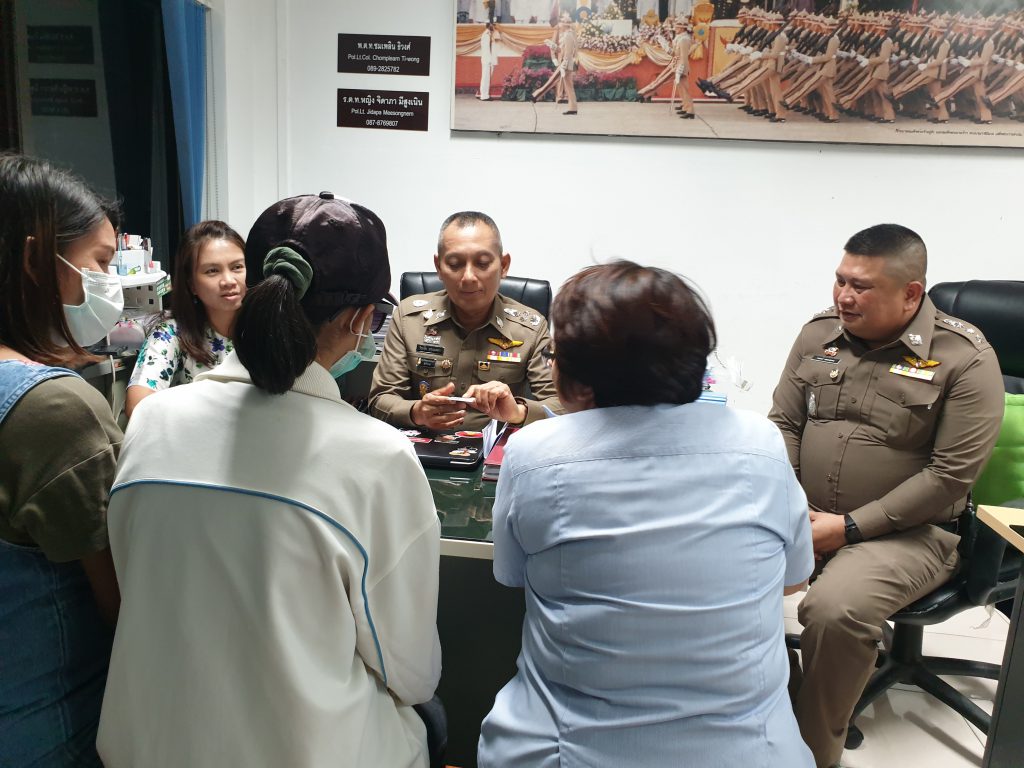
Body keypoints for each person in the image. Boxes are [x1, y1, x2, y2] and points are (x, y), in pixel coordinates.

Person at [98, 192, 444, 768]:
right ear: (361, 320)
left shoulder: (152, 422)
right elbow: (409, 672)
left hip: (149, 745)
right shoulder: (376, 456)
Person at [478, 261, 815, 768]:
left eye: (554, 354)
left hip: (567, 751)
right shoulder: (760, 444)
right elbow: (794, 579)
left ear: (577, 377)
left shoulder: (535, 452)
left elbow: (512, 576)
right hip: (749, 753)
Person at [768, 224, 1005, 768]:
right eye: (840, 280)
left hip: (912, 534)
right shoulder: (818, 335)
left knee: (834, 610)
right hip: (807, 515)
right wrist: (794, 505)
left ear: (911, 293)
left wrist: (847, 527)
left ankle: (812, 754)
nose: (844, 297)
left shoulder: (964, 357)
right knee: (720, 568)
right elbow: (783, 422)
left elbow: (949, 476)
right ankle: (780, 709)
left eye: (862, 286)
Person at [0, 153, 122, 766]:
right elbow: (124, 603)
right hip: (50, 727)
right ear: (34, 260)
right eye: (98, 263)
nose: (108, 283)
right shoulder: (54, 410)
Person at [369, 210, 561, 432]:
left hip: (493, 450)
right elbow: (380, 399)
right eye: (454, 264)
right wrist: (416, 412)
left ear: (504, 265)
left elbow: (562, 406)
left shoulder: (531, 328)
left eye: (482, 263)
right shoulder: (408, 318)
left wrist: (517, 412)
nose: (468, 277)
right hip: (421, 446)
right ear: (438, 266)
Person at [125, 220, 246, 418]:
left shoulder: (267, 328)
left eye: (237, 267)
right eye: (212, 271)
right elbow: (138, 407)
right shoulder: (171, 333)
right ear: (192, 284)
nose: (229, 281)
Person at [479, 22, 501, 100]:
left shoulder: (490, 34)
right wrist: (489, 60)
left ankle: (485, 94)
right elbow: (486, 49)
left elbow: (497, 40)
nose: (494, 27)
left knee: (487, 77)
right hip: (487, 60)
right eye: (493, 25)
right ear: (489, 26)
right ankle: (484, 95)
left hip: (490, 59)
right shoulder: (486, 35)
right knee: (486, 77)